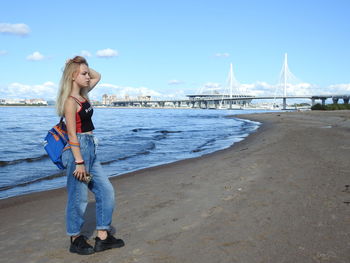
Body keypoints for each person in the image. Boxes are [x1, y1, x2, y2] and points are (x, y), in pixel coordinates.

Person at [56, 56, 125, 255]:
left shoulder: (84, 94)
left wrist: (80, 63)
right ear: (72, 77)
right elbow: (70, 134)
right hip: (78, 152)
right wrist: (79, 162)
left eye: (87, 73)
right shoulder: (70, 102)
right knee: (78, 198)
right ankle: (75, 238)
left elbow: (98, 75)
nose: (88, 77)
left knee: (106, 192)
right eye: (83, 74)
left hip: (90, 150)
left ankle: (103, 237)